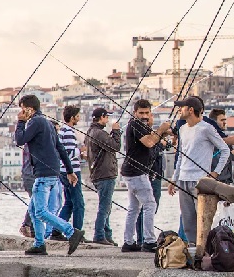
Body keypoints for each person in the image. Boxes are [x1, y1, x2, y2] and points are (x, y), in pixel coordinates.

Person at [14, 94, 84, 256]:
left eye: (23, 108)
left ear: (29, 108)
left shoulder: (35, 122)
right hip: (53, 170)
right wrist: (69, 171)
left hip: (44, 173)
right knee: (33, 210)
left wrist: (21, 122)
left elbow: (20, 139)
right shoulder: (47, 123)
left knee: (40, 212)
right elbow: (60, 148)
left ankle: (71, 231)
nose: (22, 112)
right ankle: (39, 244)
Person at [168, 97, 229, 247]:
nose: (179, 110)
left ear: (190, 110)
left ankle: (205, 252)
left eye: (182, 107)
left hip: (200, 181)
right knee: (188, 221)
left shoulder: (206, 128)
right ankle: (193, 251)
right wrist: (174, 179)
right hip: (183, 180)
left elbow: (225, 150)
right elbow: (181, 155)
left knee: (203, 221)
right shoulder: (182, 129)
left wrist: (215, 173)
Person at [120, 99, 171, 253]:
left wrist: (162, 131)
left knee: (134, 208)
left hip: (131, 172)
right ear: (135, 112)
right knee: (150, 205)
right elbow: (149, 142)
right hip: (136, 173)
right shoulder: (135, 124)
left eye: (146, 113)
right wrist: (161, 129)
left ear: (150, 113)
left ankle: (128, 242)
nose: (144, 115)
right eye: (141, 113)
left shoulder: (139, 125)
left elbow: (150, 139)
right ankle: (149, 241)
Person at [86, 108, 121, 246]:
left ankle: (107, 235)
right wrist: (116, 131)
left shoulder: (90, 132)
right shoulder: (99, 133)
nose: (108, 119)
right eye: (107, 117)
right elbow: (115, 146)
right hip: (105, 174)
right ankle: (99, 235)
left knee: (106, 206)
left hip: (98, 174)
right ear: (101, 117)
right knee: (104, 207)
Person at [50, 105, 85, 241]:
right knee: (79, 204)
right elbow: (68, 153)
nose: (79, 118)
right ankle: (76, 233)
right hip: (72, 172)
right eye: (77, 116)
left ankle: (57, 230)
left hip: (63, 171)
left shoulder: (62, 131)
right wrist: (80, 151)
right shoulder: (69, 131)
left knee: (69, 202)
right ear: (72, 117)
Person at [208, 108, 234, 184]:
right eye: (222, 120)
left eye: (225, 120)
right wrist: (232, 154)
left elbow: (230, 159)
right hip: (215, 181)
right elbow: (215, 162)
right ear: (213, 122)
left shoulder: (225, 138)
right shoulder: (210, 139)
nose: (225, 123)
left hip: (226, 181)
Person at [17, 143, 35, 238]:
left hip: (30, 175)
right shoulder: (31, 144)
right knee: (36, 201)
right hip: (30, 176)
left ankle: (32, 229)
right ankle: (26, 225)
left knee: (36, 202)